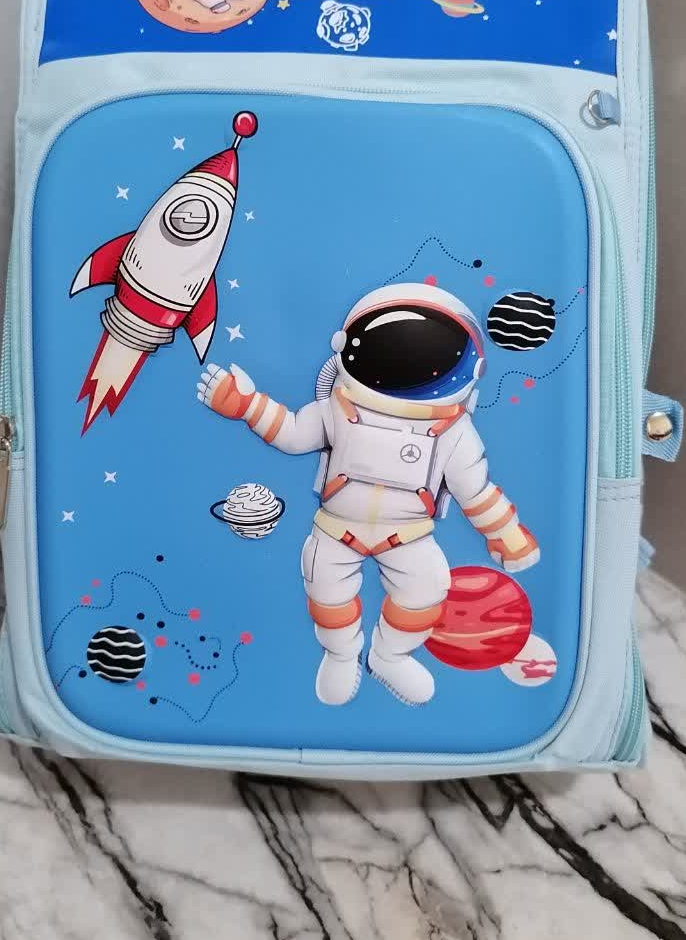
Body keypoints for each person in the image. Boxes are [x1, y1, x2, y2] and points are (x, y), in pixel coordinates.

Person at [197, 282, 540, 706]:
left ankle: (389, 656)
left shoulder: (453, 432)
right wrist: (247, 405)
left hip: (408, 534)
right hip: (336, 528)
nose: (407, 367)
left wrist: (506, 533)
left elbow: (476, 492)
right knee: (326, 593)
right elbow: (294, 433)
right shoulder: (339, 409)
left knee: (425, 590)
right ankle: (340, 655)